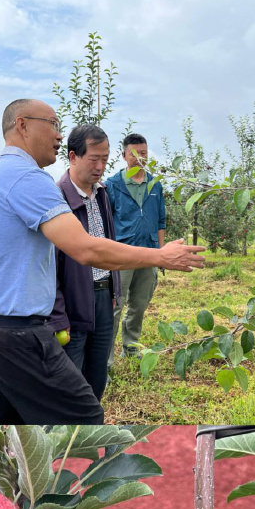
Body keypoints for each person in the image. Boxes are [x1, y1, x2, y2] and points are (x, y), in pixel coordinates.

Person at [0, 99, 205, 424]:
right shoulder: (28, 179)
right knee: (85, 418)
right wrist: (160, 255)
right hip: (16, 333)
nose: (58, 135)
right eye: (53, 124)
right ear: (22, 125)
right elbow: (86, 250)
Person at [50, 124, 120, 401]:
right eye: (94, 159)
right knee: (70, 379)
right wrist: (58, 313)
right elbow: (50, 264)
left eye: (105, 159)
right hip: (73, 301)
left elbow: (108, 244)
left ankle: (91, 420)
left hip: (103, 297)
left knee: (97, 373)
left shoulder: (102, 194)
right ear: (73, 156)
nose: (100, 166)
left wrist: (114, 290)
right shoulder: (57, 198)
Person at [105, 133, 167, 360]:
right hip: (122, 254)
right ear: (124, 155)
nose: (140, 158)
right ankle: (106, 358)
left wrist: (161, 253)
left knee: (139, 304)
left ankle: (130, 347)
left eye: (143, 153)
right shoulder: (112, 185)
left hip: (149, 252)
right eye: (134, 153)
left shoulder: (155, 184)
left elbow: (161, 220)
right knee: (115, 305)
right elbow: (107, 221)